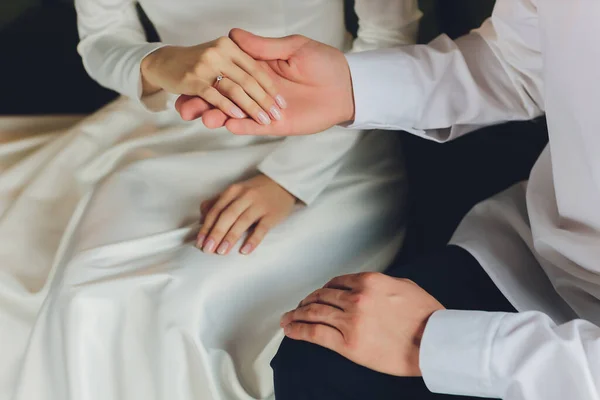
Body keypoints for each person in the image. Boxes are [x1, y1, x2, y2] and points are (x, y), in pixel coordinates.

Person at [176, 1, 600, 399]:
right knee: (317, 356)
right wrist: (352, 86)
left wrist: (439, 343)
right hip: (544, 255)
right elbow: (519, 64)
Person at [0, 1, 423, 400]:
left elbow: (391, 34)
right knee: (83, 292)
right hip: (175, 125)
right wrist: (159, 61)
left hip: (333, 127)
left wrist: (289, 180)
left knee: (181, 309)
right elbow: (102, 38)